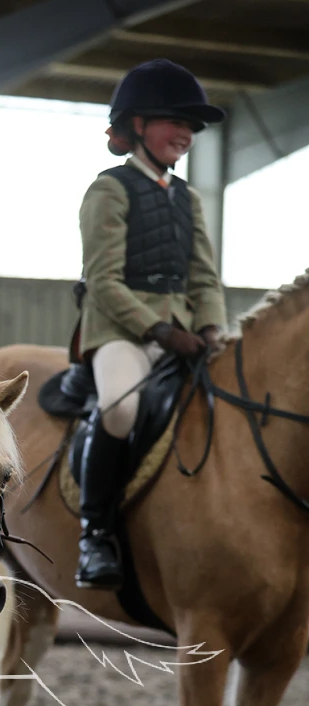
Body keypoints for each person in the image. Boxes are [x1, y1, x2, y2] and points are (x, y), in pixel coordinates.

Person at [75, 59, 227, 591]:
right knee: (120, 409)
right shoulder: (109, 190)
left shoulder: (188, 199)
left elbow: (204, 277)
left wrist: (212, 331)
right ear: (137, 124)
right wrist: (160, 332)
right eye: (174, 121)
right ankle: (95, 533)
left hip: (184, 334)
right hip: (121, 333)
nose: (185, 133)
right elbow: (103, 280)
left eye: (190, 126)